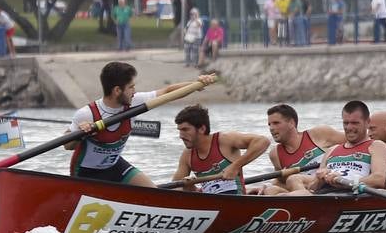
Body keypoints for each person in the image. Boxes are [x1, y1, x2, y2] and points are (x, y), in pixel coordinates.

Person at [67, 62, 216, 186]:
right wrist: (81, 135)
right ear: (117, 90)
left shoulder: (135, 101)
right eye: (131, 87)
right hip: (85, 173)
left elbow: (168, 92)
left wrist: (197, 84)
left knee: (154, 195)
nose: (134, 91)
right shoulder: (87, 114)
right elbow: (67, 145)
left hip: (114, 165)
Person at [171, 104, 270, 195]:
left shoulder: (224, 140)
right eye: (179, 131)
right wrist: (190, 187)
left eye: (185, 130)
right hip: (210, 202)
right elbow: (174, 187)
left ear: (202, 129)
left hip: (236, 200)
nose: (181, 136)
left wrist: (235, 166)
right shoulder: (187, 155)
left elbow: (263, 141)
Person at [299, 101, 386, 194]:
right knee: (294, 194)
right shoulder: (332, 150)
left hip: (353, 196)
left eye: (355, 123)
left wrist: (345, 183)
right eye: (346, 123)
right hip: (325, 196)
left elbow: (378, 179)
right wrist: (319, 180)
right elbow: (312, 188)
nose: (349, 127)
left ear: (367, 122)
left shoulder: (376, 146)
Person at [263, 103, 346, 195]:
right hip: (305, 187)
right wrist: (264, 187)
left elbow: (354, 141)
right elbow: (280, 181)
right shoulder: (275, 154)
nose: (271, 128)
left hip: (329, 182)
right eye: (269, 124)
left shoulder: (318, 134)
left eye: (276, 123)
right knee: (270, 191)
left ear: (291, 123)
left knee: (294, 179)